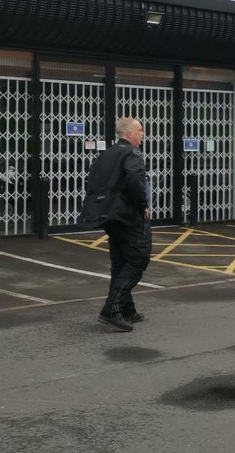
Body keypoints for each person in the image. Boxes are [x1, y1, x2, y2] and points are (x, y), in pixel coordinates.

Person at [79, 118, 152, 332]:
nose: (143, 134)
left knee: (120, 262)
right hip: (128, 216)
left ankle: (127, 309)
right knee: (138, 260)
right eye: (140, 130)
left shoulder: (106, 154)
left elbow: (92, 182)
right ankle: (111, 309)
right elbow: (134, 180)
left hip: (109, 216)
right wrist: (142, 206)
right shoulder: (131, 153)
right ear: (129, 134)